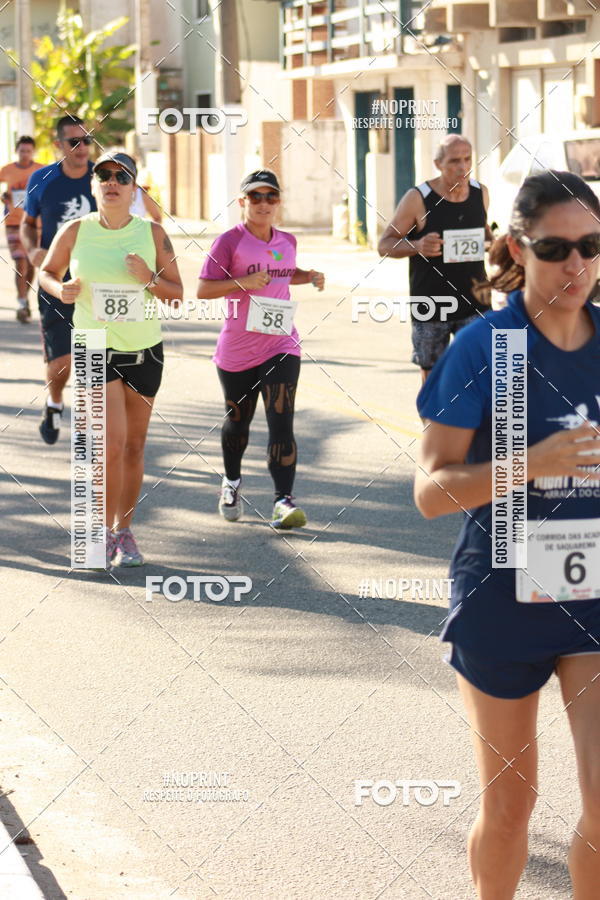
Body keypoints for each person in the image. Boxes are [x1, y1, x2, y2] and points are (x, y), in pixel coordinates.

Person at [414, 171, 600, 898]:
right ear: (519, 249)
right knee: (512, 806)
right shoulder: (484, 345)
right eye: (557, 248)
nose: (577, 266)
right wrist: (534, 464)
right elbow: (430, 490)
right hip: (501, 601)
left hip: (591, 598)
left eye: (592, 246)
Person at [39, 151, 183, 567]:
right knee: (110, 445)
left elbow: (177, 294)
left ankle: (124, 531)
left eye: (122, 176)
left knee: (135, 447)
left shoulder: (152, 233)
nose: (112, 181)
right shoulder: (75, 230)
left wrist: (148, 278)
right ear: (93, 184)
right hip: (94, 348)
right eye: (104, 175)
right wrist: (59, 289)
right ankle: (100, 533)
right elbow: (47, 272)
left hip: (144, 350)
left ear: (134, 187)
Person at [197, 169, 324, 528]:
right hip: (237, 347)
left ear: (279, 202)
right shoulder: (228, 242)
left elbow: (284, 272)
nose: (264, 203)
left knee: (281, 420)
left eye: (271, 196)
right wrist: (243, 282)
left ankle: (283, 501)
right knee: (238, 422)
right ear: (242, 202)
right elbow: (204, 289)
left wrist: (308, 275)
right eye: (256, 197)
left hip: (281, 343)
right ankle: (232, 482)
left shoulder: (287, 240)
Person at [378, 134, 493, 383]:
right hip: (432, 303)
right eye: (454, 161)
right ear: (438, 164)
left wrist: (494, 246)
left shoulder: (480, 193)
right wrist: (417, 245)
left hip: (476, 302)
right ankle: (434, 423)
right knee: (434, 380)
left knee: (481, 375)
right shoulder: (418, 198)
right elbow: (384, 245)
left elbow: (485, 235)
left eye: (467, 159)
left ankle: (471, 423)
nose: (462, 167)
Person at [21, 115, 97, 444]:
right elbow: (27, 223)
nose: (82, 148)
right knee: (64, 359)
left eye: (87, 140)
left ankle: (95, 428)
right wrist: (33, 250)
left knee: (95, 357)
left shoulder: (104, 177)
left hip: (97, 282)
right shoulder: (43, 179)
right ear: (58, 146)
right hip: (55, 280)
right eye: (74, 142)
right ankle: (54, 402)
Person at [0, 135, 43, 322]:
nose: (25, 154)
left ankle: (25, 296)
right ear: (16, 151)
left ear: (33, 152)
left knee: (31, 263)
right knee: (20, 262)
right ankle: (22, 302)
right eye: (22, 150)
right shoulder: (6, 170)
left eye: (28, 151)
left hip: (35, 224)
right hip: (13, 223)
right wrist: (3, 197)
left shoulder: (41, 170)